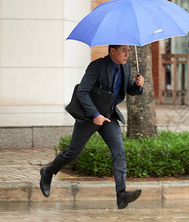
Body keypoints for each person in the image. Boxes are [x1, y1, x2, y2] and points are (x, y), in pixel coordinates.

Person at [40, 45, 144, 209]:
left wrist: (138, 86)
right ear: (112, 51)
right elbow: (82, 91)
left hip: (108, 117)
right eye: (124, 50)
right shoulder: (97, 66)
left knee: (119, 152)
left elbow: (130, 89)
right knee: (72, 153)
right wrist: (95, 115)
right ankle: (48, 172)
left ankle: (121, 195)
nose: (127, 54)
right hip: (90, 117)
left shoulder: (125, 67)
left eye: (129, 50)